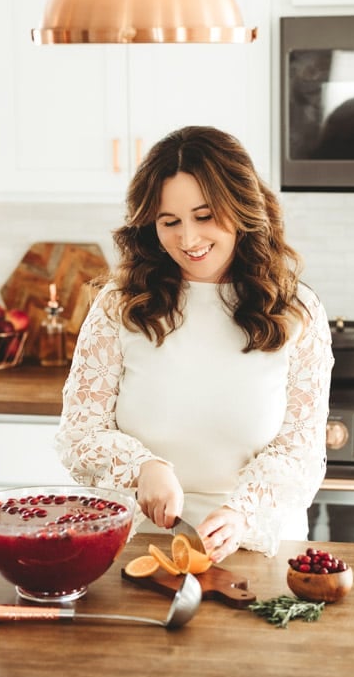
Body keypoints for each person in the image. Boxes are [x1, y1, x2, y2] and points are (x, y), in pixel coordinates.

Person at [55, 126, 333, 563]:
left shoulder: (297, 311)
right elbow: (80, 432)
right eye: (170, 222)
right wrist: (144, 468)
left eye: (205, 217)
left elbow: (299, 451)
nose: (188, 240)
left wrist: (242, 513)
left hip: (255, 548)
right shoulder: (119, 305)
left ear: (241, 208)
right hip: (132, 541)